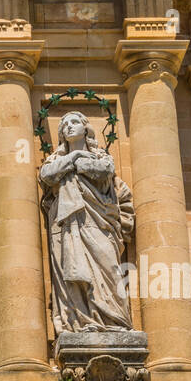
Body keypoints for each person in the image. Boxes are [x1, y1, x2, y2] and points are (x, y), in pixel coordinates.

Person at [38, 110, 135, 334]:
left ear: (85, 128)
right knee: (74, 271)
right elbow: (47, 174)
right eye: (64, 124)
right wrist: (72, 158)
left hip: (99, 223)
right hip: (70, 225)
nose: (69, 127)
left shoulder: (101, 156)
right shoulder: (55, 159)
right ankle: (81, 320)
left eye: (75, 122)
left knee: (107, 266)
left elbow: (104, 171)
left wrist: (73, 162)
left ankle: (114, 321)